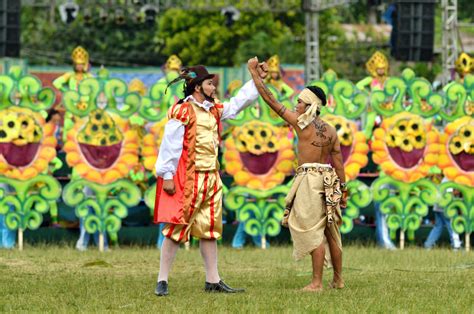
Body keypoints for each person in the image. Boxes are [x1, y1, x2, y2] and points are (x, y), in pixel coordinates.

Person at [153, 60, 266, 296]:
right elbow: (170, 145)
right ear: (197, 87)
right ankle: (162, 279)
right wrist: (167, 175)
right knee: (175, 228)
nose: (213, 87)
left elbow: (238, 103)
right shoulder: (182, 110)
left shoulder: (213, 109)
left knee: (209, 230)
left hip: (212, 179)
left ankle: (212, 280)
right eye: (209, 83)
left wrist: (257, 79)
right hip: (189, 180)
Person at [247, 57, 348, 292]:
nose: (296, 106)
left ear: (310, 106)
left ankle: (316, 283)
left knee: (313, 232)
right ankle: (338, 280)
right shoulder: (331, 130)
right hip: (330, 179)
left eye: (300, 102)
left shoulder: (301, 125)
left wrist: (254, 74)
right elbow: (339, 162)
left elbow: (270, 99)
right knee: (331, 229)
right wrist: (343, 189)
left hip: (310, 181)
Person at [424, 175, 462, 250]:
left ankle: (428, 245)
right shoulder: (449, 179)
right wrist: (460, 190)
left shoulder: (446, 179)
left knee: (438, 227)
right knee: (452, 225)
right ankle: (456, 246)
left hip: (438, 206)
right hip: (445, 207)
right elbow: (449, 194)